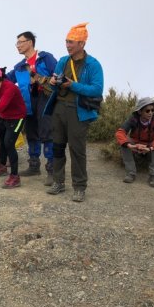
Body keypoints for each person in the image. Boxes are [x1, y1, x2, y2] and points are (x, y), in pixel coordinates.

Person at [43, 23, 104, 202]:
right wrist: (54, 81)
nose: (68, 45)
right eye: (67, 41)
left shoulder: (93, 64)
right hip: (59, 108)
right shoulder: (63, 61)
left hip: (79, 112)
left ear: (82, 44)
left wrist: (73, 85)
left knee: (77, 150)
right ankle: (58, 182)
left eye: (72, 42)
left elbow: (97, 89)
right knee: (58, 146)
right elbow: (55, 79)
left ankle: (79, 187)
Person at [6, 31, 57, 185]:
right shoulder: (20, 66)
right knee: (32, 134)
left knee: (47, 133)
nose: (18, 46)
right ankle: (34, 166)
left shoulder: (45, 58)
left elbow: (58, 74)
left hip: (45, 100)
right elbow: (6, 80)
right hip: (27, 103)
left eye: (20, 42)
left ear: (30, 42)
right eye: (17, 43)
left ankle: (52, 170)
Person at [115, 97, 154, 187]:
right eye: (147, 111)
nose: (151, 113)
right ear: (140, 112)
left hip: (150, 146)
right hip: (136, 145)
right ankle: (131, 173)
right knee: (124, 142)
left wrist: (151, 148)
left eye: (153, 110)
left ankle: (153, 176)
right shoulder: (133, 119)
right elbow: (120, 132)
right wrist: (130, 145)